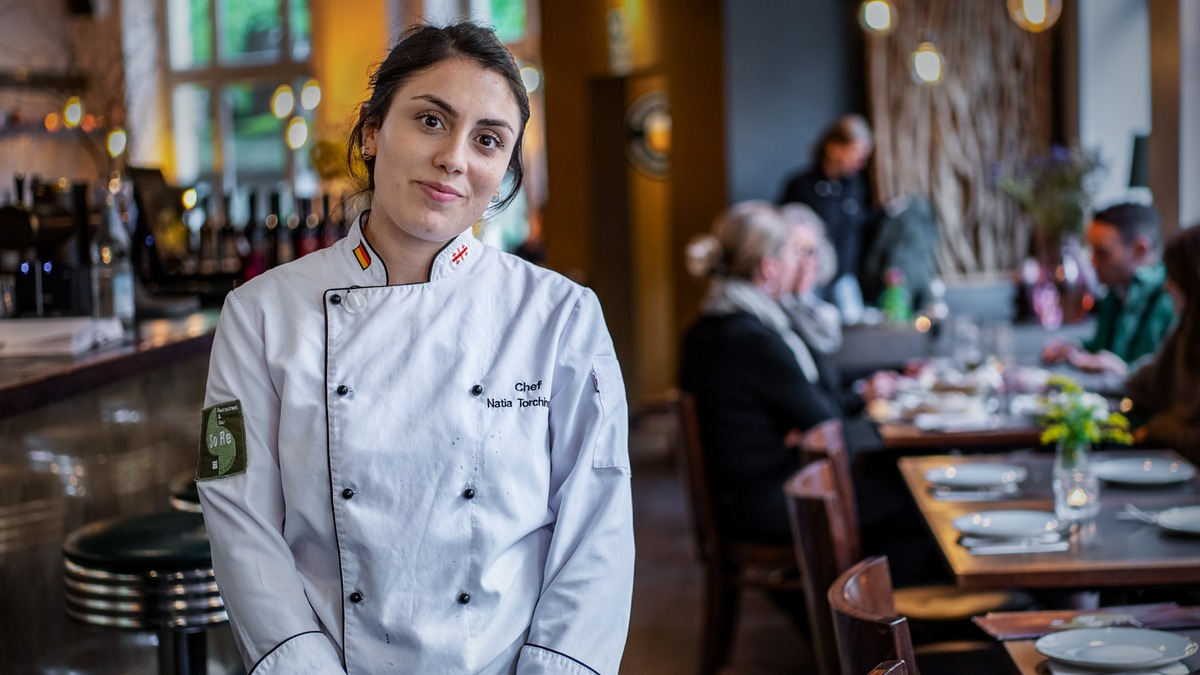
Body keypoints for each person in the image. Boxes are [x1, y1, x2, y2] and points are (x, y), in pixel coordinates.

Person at [195, 23, 634, 675]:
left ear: (504, 167)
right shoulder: (257, 315)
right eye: (431, 120)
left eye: (488, 139)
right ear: (373, 132)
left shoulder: (562, 317)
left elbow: (597, 524)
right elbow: (234, 510)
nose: (455, 158)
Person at [679, 202, 894, 547]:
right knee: (909, 497)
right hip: (769, 499)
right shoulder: (753, 338)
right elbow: (829, 425)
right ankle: (848, 597)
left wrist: (797, 430)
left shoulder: (707, 326)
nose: (800, 266)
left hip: (740, 496)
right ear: (769, 267)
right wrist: (801, 430)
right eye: (793, 256)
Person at [1042, 202, 1175, 377]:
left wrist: (1125, 372)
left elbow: (1174, 377)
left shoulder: (1172, 297)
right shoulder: (1115, 293)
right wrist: (1076, 347)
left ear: (1140, 250)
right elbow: (1104, 348)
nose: (1092, 261)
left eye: (1102, 252)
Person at [777, 114, 875, 321]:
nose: (861, 162)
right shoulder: (801, 186)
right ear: (834, 148)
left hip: (845, 279)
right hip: (810, 281)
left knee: (854, 335)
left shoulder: (855, 186)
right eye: (856, 153)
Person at [1126, 224, 1200, 458]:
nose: (1167, 285)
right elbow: (1138, 385)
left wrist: (1156, 427)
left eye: (1175, 276)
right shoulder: (1185, 334)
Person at [778, 202, 843, 354]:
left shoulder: (824, 314)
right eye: (798, 251)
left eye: (812, 251)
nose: (806, 262)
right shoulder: (769, 314)